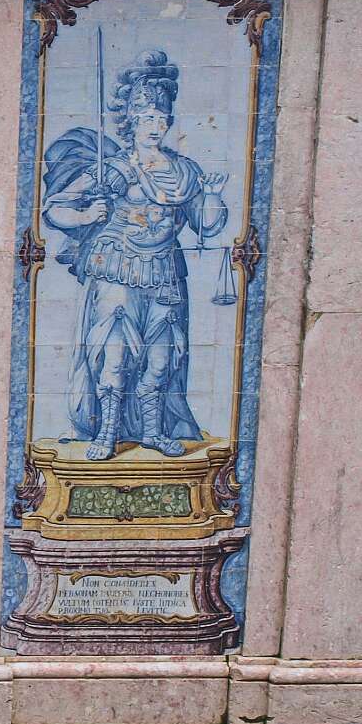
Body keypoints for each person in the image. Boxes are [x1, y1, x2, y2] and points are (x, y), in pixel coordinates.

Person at [40, 49, 227, 461]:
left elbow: (208, 224)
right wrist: (86, 214)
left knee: (161, 359)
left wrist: (212, 195)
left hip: (165, 271)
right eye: (146, 118)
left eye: (161, 118)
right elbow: (54, 209)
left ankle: (153, 432)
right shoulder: (116, 168)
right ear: (132, 121)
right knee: (115, 356)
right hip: (116, 267)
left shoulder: (185, 172)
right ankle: (107, 432)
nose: (155, 126)